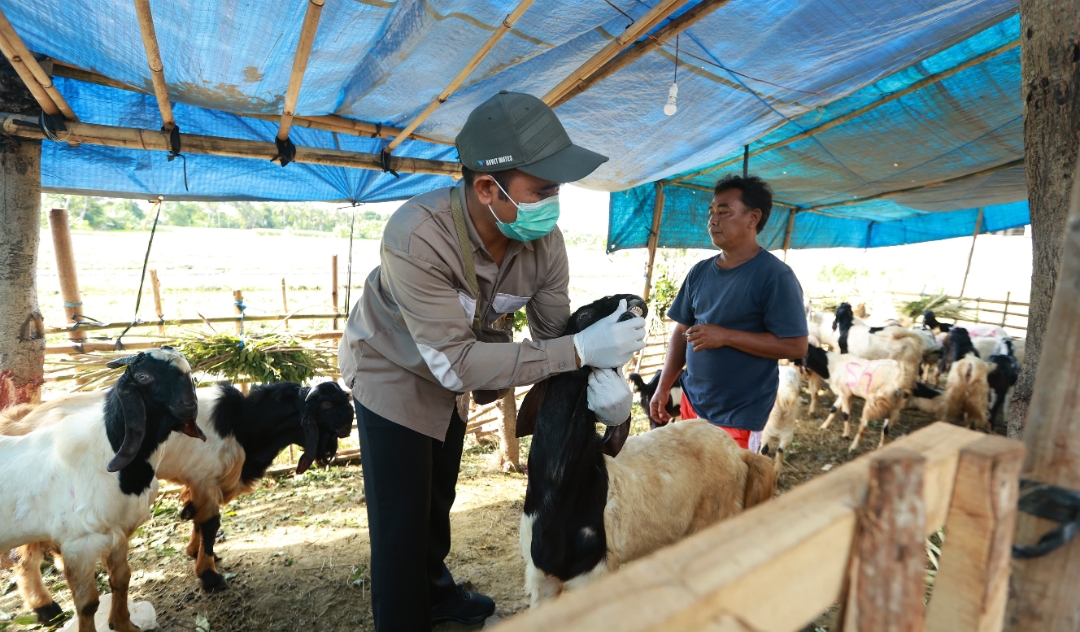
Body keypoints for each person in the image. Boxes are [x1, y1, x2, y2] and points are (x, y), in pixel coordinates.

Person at [338, 91, 646, 632]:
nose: (554, 202)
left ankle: (436, 594)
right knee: (401, 521)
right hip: (392, 372)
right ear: (487, 188)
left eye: (558, 189)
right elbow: (461, 363)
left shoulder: (544, 243)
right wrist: (579, 350)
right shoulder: (417, 235)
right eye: (543, 190)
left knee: (439, 496)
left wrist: (605, 387)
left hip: (458, 374)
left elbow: (552, 337)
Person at [649, 174, 808, 451]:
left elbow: (796, 345)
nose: (712, 220)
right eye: (711, 212)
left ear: (753, 218)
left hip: (738, 415)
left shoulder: (774, 276)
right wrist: (663, 387)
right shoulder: (699, 272)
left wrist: (726, 336)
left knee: (726, 479)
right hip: (693, 402)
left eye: (724, 212)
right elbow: (681, 331)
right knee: (691, 474)